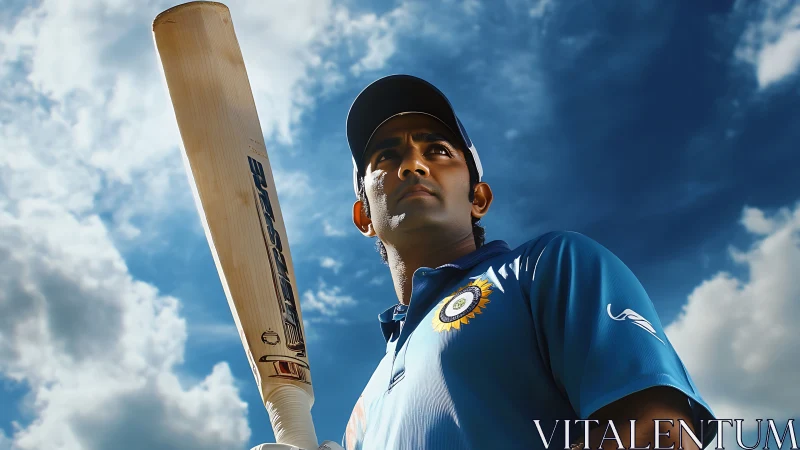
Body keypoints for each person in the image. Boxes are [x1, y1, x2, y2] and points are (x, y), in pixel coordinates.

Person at [341, 74, 718, 450]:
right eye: (386, 156)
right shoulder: (360, 415)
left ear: (478, 198)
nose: (412, 165)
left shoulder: (548, 267)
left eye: (438, 150)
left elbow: (660, 432)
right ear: (364, 217)